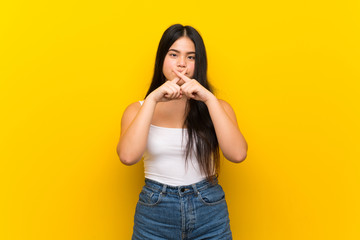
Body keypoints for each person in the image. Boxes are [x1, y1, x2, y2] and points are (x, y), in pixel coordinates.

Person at [117, 24, 248, 240]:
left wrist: (209, 99)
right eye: (173, 54)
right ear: (162, 59)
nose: (181, 64)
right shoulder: (138, 109)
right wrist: (152, 99)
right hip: (155, 213)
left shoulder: (218, 106)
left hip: (209, 210)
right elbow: (128, 157)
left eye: (191, 57)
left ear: (199, 63)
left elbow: (237, 154)